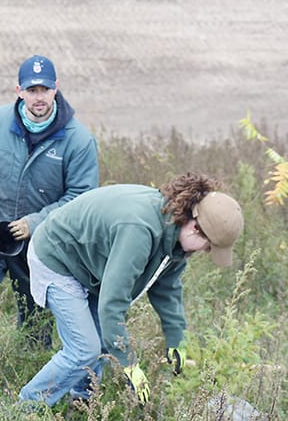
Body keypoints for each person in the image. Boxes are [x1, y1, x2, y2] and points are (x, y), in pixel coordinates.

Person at [18, 173, 244, 407]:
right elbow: (112, 304)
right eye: (207, 247)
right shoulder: (139, 230)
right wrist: (129, 364)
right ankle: (25, 409)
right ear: (195, 227)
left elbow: (167, 289)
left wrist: (177, 339)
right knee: (84, 349)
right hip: (56, 255)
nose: (204, 252)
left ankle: (82, 403)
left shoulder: (175, 235)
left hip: (89, 264)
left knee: (102, 341)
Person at [0, 55, 99, 359]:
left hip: (41, 242)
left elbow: (81, 198)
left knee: (36, 310)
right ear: (19, 90)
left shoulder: (78, 140)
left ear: (56, 88)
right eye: (32, 90)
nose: (39, 97)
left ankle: (31, 364)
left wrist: (35, 223)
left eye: (45, 89)